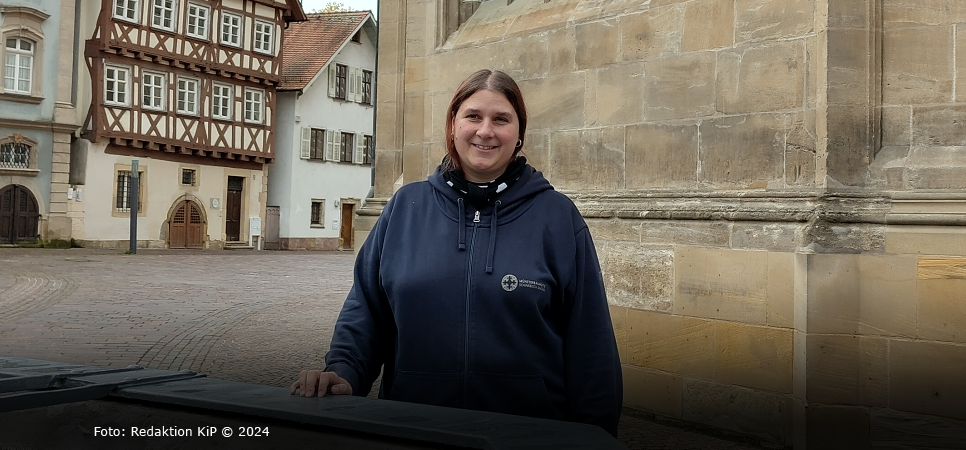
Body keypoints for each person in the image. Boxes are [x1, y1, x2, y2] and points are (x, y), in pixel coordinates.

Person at [291, 69, 623, 437]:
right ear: (453, 125)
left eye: (501, 119)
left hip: (528, 437)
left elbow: (590, 340)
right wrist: (344, 370)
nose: (485, 131)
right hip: (413, 431)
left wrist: (596, 434)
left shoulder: (557, 217)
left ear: (519, 134)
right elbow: (367, 310)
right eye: (473, 116)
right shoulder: (405, 207)